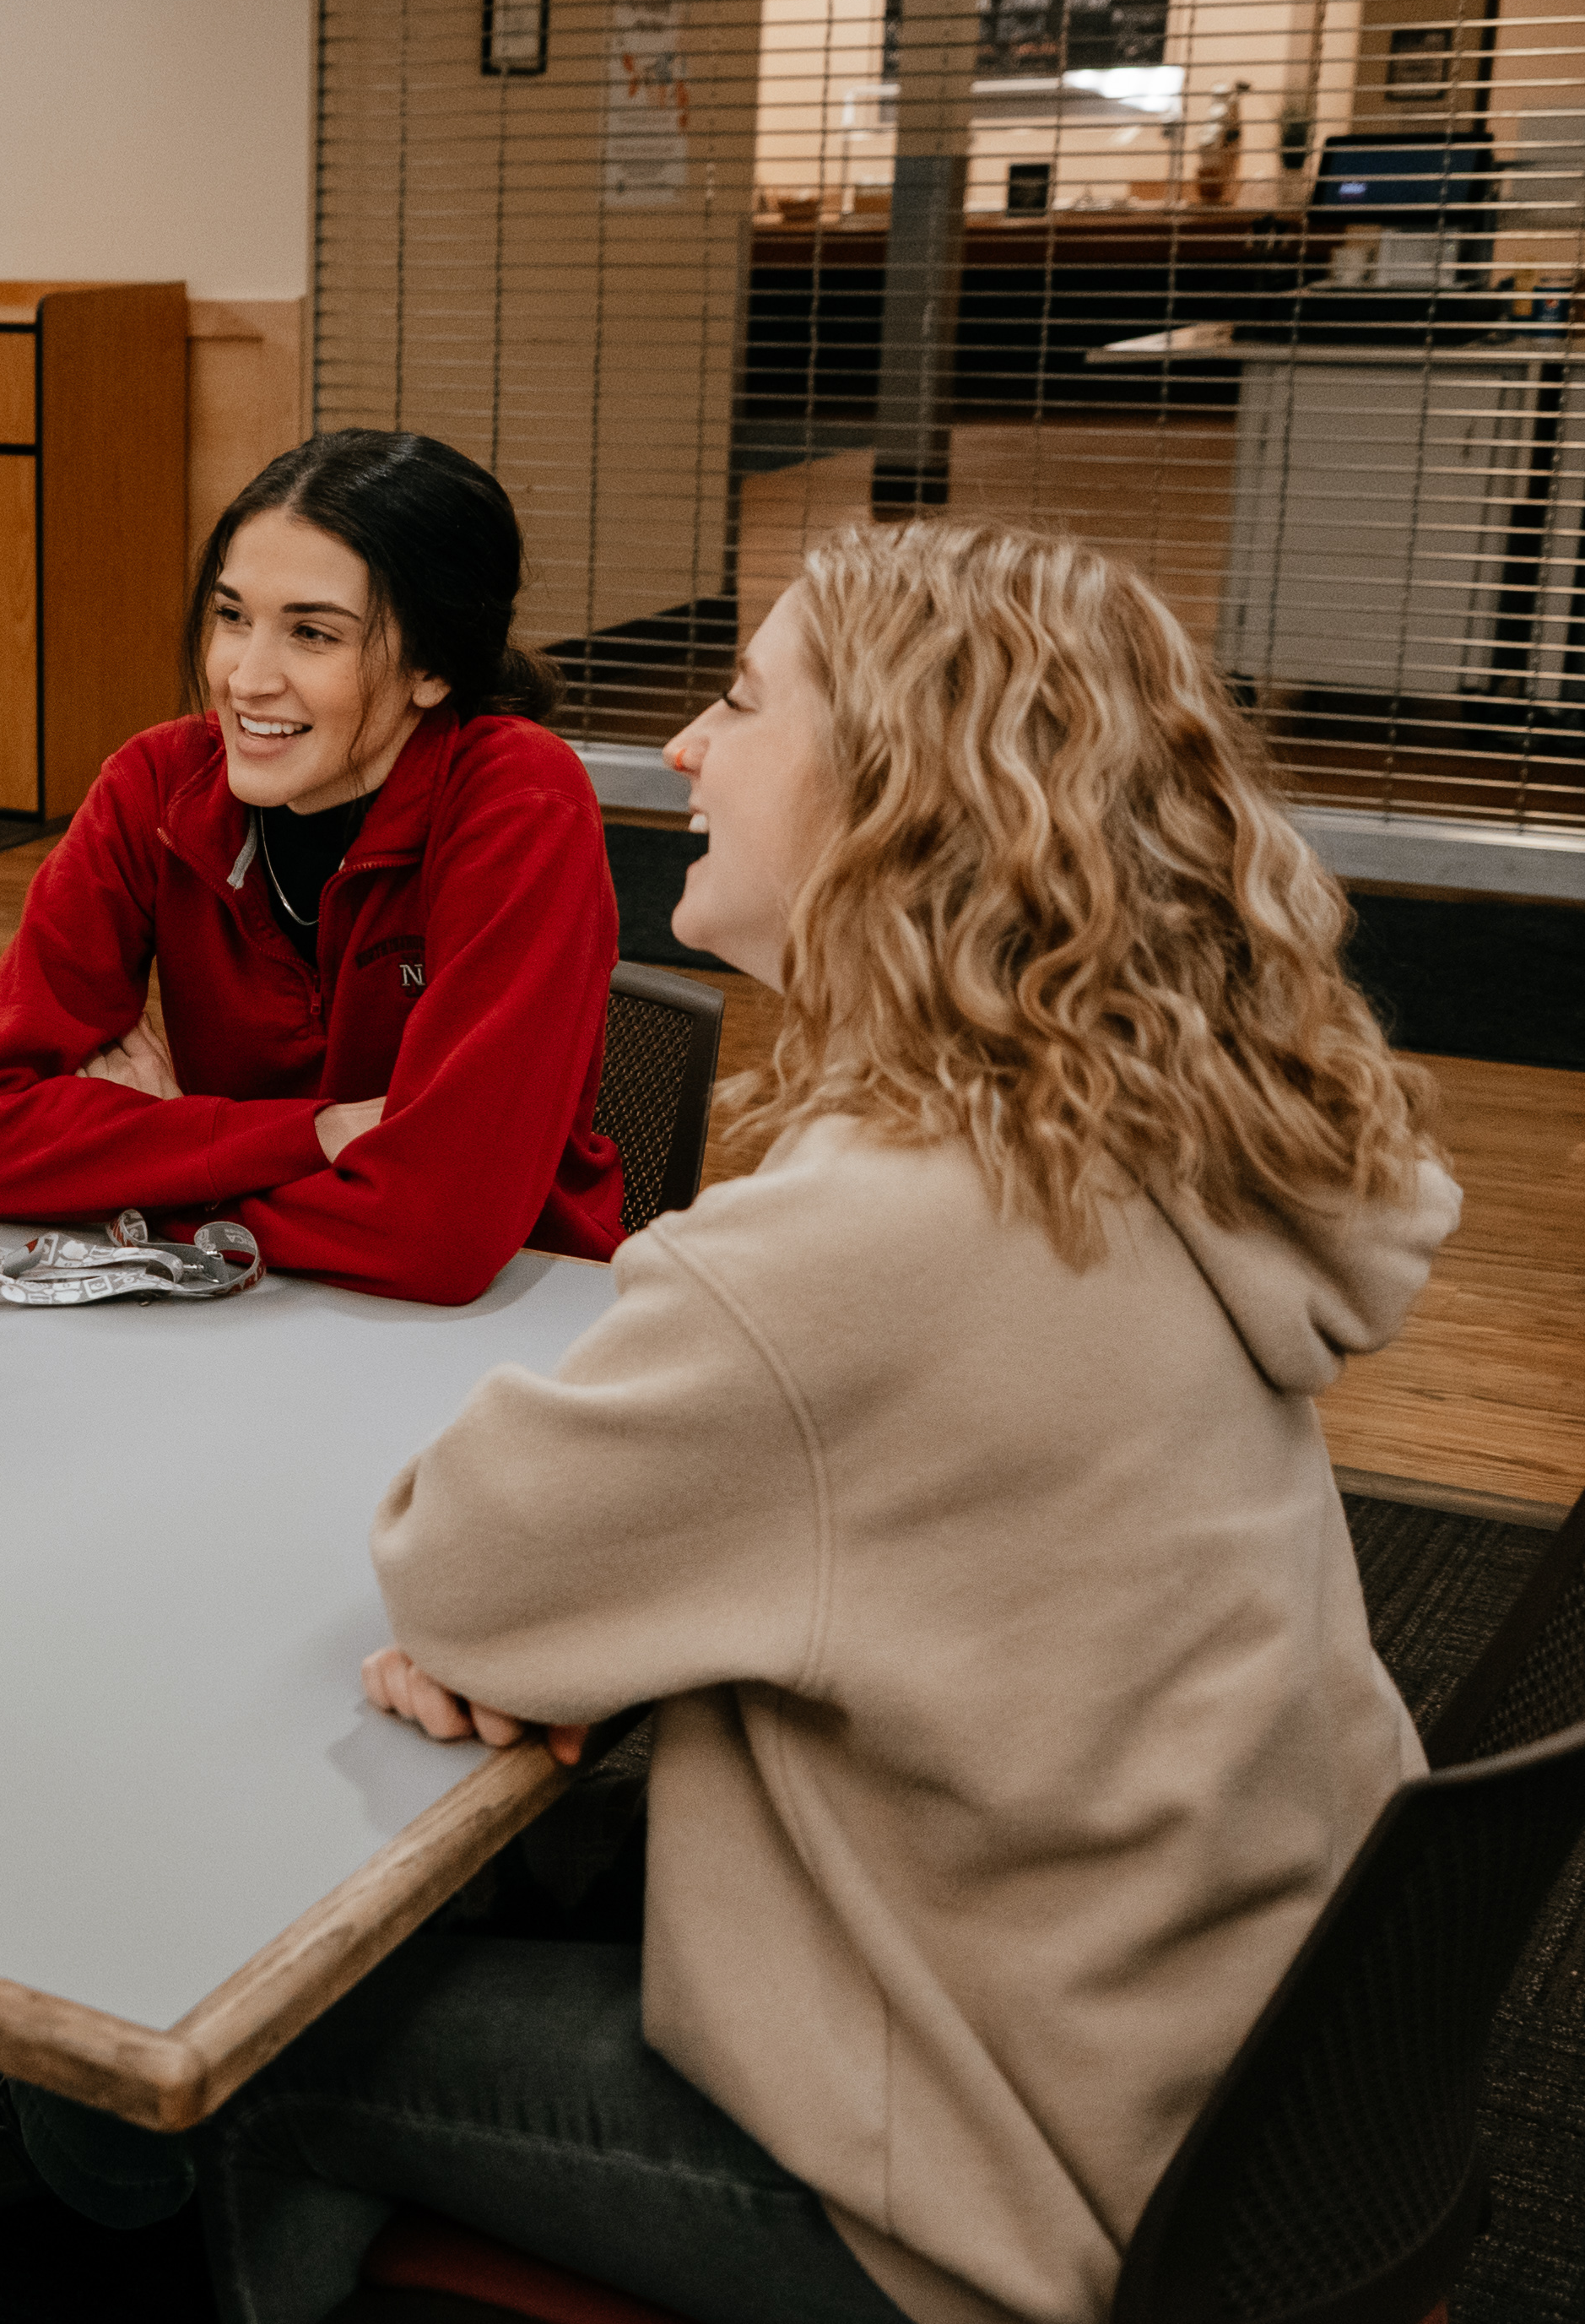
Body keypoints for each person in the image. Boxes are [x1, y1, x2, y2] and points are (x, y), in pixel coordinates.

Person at [210, 520, 1458, 2324]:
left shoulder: (871, 1239)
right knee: (539, 1874)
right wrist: (609, 1611)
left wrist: (548, 1632)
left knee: (286, 2051)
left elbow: (456, 1574)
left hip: (1013, 2164)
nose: (687, 753)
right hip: (1241, 2067)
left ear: (899, 796)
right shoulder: (1127, 1129)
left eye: (735, 701)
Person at [0, 427, 625, 1304]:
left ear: (433, 666)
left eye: (312, 635)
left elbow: (439, 1235)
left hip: (509, 1327)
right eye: (231, 616)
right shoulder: (154, 785)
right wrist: (315, 1134)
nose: (246, 678)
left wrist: (152, 1166)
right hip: (243, 1307)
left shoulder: (518, 800)